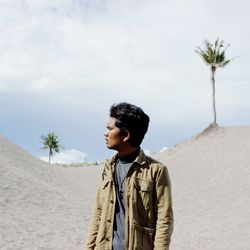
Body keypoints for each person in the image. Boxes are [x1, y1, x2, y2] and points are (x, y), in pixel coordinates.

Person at [86, 102, 173, 250]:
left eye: (110, 129)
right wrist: (89, 246)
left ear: (126, 135)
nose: (105, 133)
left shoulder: (156, 171)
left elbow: (164, 220)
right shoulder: (108, 168)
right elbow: (98, 212)